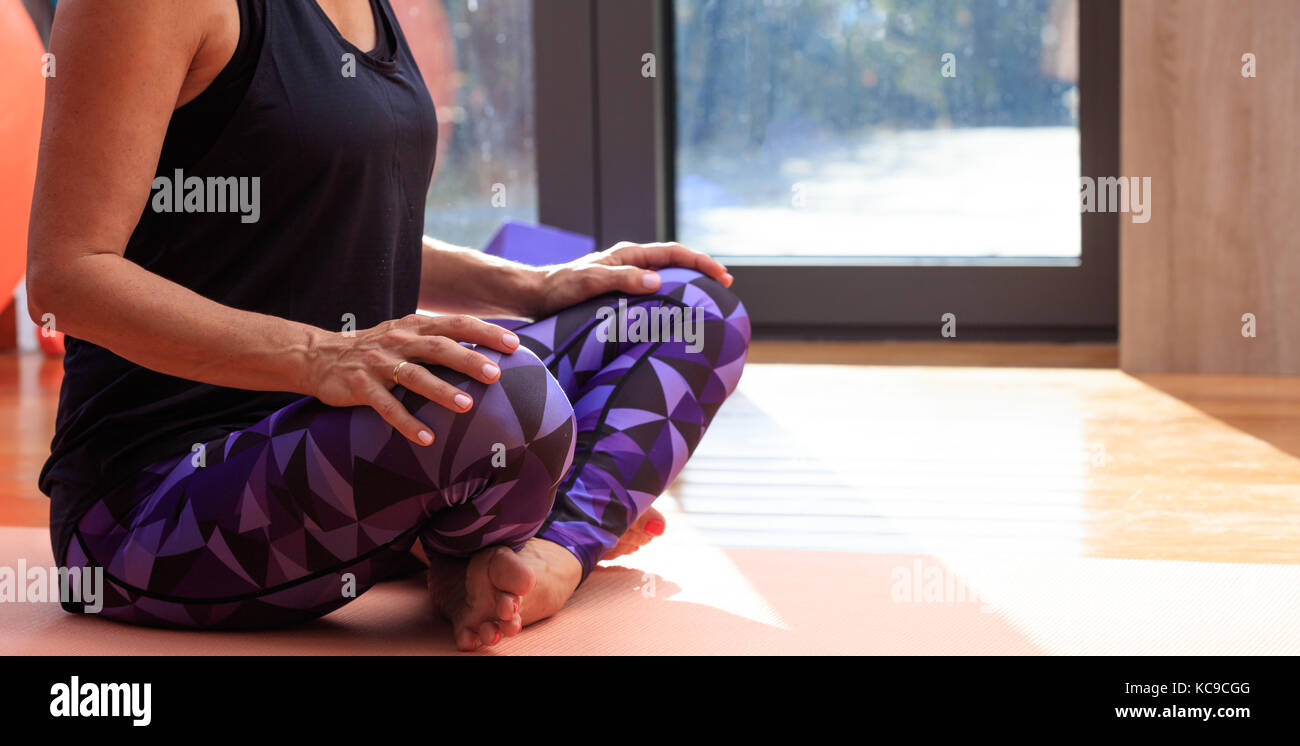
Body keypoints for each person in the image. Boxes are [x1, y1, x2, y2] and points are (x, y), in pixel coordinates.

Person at [26, 0, 749, 651]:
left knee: (684, 305)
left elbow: (330, 220)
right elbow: (69, 277)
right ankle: (485, 538)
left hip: (355, 433)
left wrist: (532, 286)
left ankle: (545, 554)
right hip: (158, 510)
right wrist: (320, 356)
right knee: (510, 402)